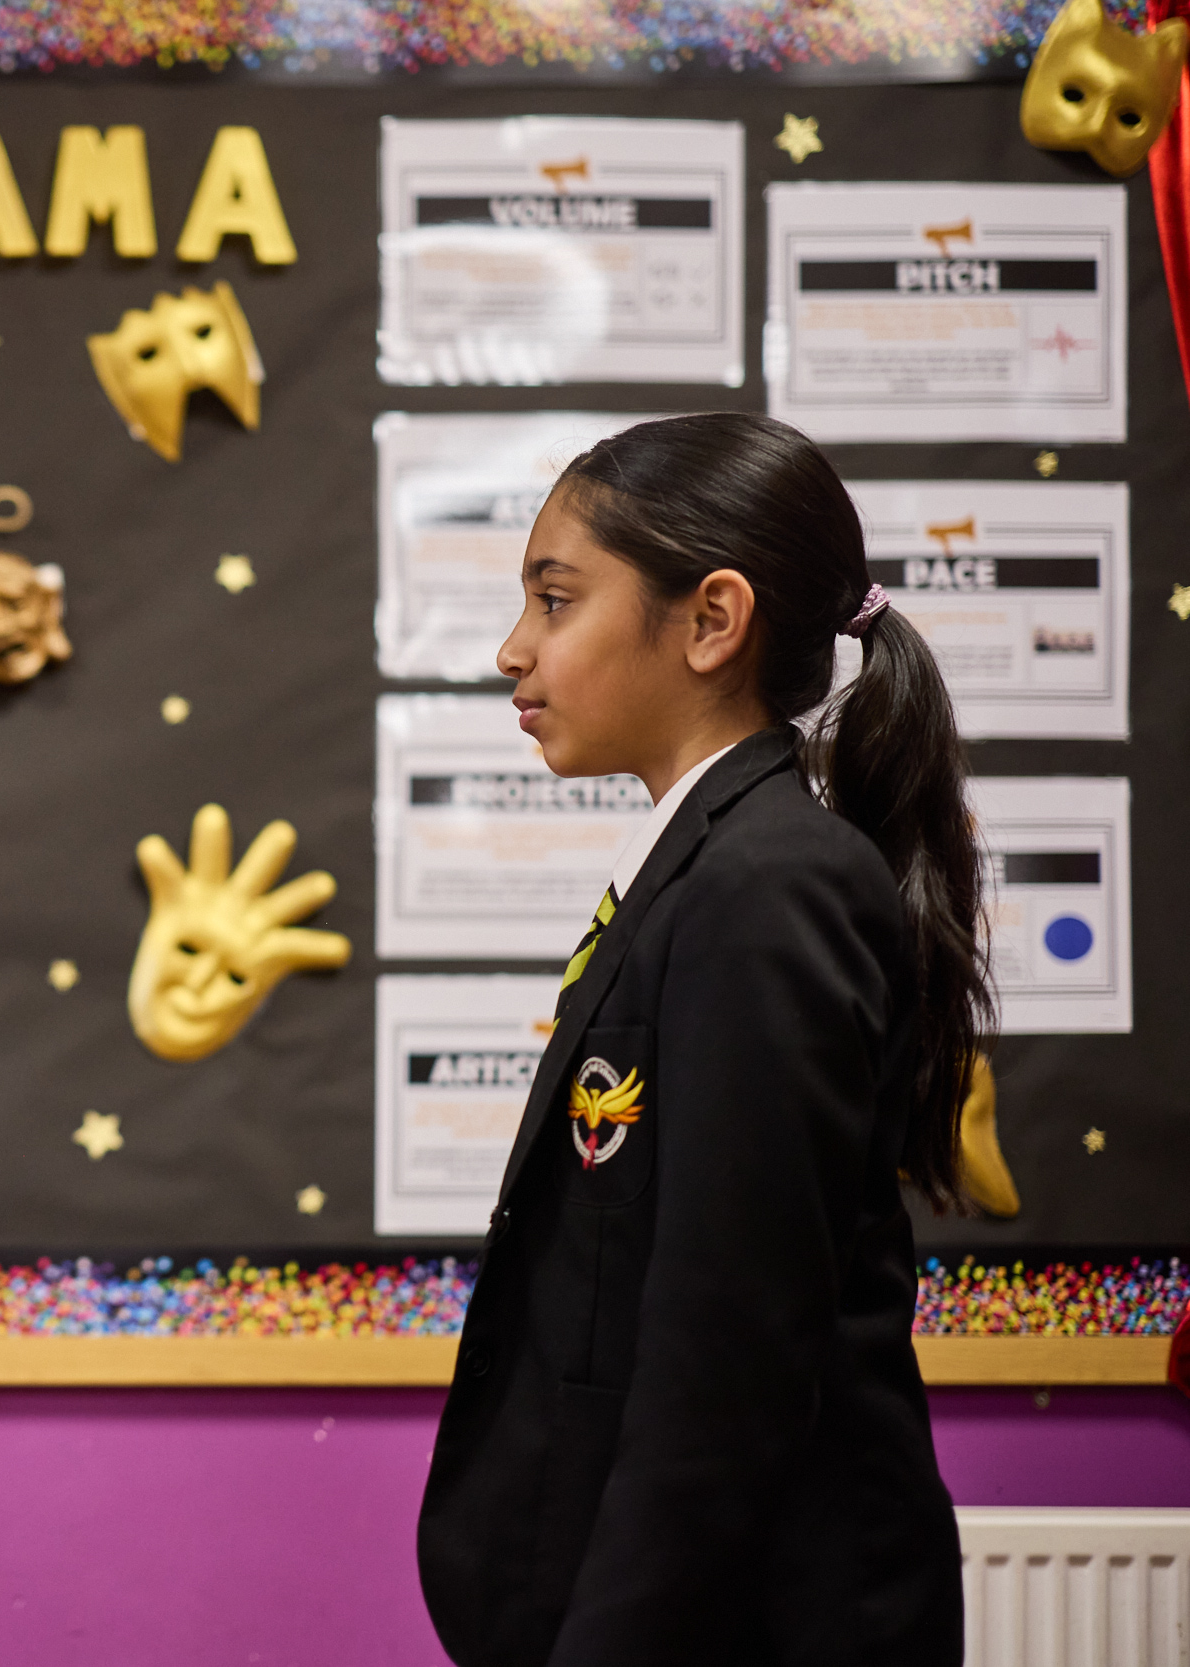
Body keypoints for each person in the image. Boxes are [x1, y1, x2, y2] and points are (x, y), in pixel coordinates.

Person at [416, 412, 981, 1665]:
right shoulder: (709, 870)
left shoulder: (767, 885)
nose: (513, 650)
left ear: (711, 621)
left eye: (555, 601)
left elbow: (728, 1357)